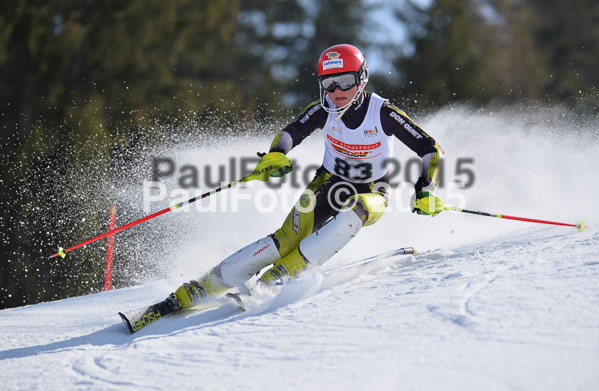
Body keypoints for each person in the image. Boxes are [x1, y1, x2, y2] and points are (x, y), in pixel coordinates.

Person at [169, 44, 444, 310]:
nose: (337, 91)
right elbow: (292, 132)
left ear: (362, 78)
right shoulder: (323, 109)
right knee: (286, 240)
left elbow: (430, 148)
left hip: (374, 190)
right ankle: (204, 286)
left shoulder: (381, 112)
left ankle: (275, 279)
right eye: (329, 83)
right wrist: (276, 154)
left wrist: (425, 189)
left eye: (346, 81)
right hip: (328, 183)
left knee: (355, 211)